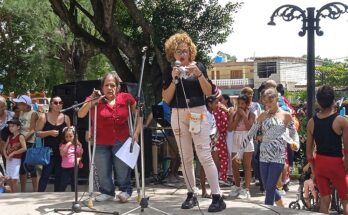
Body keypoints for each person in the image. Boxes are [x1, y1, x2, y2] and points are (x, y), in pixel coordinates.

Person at [162, 32, 225, 212]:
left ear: (190, 51)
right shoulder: (170, 70)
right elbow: (166, 98)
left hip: (197, 112)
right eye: (177, 51)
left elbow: (208, 92)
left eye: (185, 50)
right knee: (186, 157)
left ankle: (217, 196)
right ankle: (191, 193)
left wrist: (199, 74)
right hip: (177, 114)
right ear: (172, 54)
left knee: (204, 155)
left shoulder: (199, 66)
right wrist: (174, 79)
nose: (182, 54)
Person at [78, 72, 140, 203]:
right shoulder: (95, 98)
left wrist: (136, 132)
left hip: (121, 140)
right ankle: (107, 192)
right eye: (107, 85)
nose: (109, 88)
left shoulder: (125, 98)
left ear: (117, 87)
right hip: (100, 141)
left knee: (122, 170)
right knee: (102, 169)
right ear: (102, 87)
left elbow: (139, 113)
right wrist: (92, 101)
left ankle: (125, 190)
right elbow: (81, 114)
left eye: (113, 85)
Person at [235, 87, 299, 206]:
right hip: (263, 155)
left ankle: (267, 210)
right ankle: (281, 208)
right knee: (268, 187)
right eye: (265, 102)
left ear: (276, 99)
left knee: (269, 188)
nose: (267, 105)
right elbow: (250, 134)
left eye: (270, 102)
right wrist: (240, 152)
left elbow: (294, 132)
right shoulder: (263, 115)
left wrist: (295, 144)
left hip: (278, 156)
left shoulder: (286, 115)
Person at [306, 85, 348, 214]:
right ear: (333, 101)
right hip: (336, 163)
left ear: (318, 102)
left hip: (320, 163)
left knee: (324, 199)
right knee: (345, 199)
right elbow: (347, 149)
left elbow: (308, 153)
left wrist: (314, 170)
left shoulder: (311, 122)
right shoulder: (341, 121)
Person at [36, 96, 71, 192]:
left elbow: (71, 135)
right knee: (45, 175)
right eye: (55, 103)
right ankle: (39, 195)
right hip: (49, 152)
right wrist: (49, 133)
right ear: (51, 104)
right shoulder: (44, 117)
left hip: (62, 152)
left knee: (60, 176)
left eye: (60, 103)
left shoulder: (66, 118)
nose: (58, 105)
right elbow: (37, 133)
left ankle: (57, 196)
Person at [229, 94, 255, 200]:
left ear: (247, 104)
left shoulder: (251, 114)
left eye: (242, 104)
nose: (240, 106)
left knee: (247, 166)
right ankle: (237, 186)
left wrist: (244, 116)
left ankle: (247, 189)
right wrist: (236, 118)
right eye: (238, 104)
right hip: (236, 138)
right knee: (235, 165)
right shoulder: (234, 114)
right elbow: (230, 128)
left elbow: (250, 127)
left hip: (246, 139)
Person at [13, 95, 38, 192]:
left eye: (19, 103)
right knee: (22, 166)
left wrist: (21, 141)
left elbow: (32, 130)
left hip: (29, 142)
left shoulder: (33, 113)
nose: (18, 105)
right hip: (21, 140)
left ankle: (35, 190)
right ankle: (23, 190)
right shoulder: (20, 112)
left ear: (25, 104)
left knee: (31, 165)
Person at [3, 118, 27, 192]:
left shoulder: (20, 136)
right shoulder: (9, 137)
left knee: (14, 180)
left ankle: (14, 195)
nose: (10, 128)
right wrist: (6, 156)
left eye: (12, 126)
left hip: (16, 160)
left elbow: (24, 148)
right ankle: (11, 195)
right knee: (8, 179)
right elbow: (4, 148)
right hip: (9, 160)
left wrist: (13, 153)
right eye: (9, 126)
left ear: (18, 127)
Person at [58, 126, 83, 192]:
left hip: (74, 167)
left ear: (74, 136)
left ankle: (73, 196)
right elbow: (62, 154)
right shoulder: (62, 145)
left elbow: (80, 155)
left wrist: (78, 159)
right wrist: (67, 145)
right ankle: (61, 195)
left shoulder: (76, 146)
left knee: (74, 183)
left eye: (70, 136)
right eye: (66, 136)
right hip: (65, 168)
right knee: (63, 183)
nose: (68, 138)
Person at [0, 96, 15, 176]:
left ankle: (7, 183)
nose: (0, 109)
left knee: (8, 167)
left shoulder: (11, 115)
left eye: (2, 106)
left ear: (5, 106)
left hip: (8, 145)